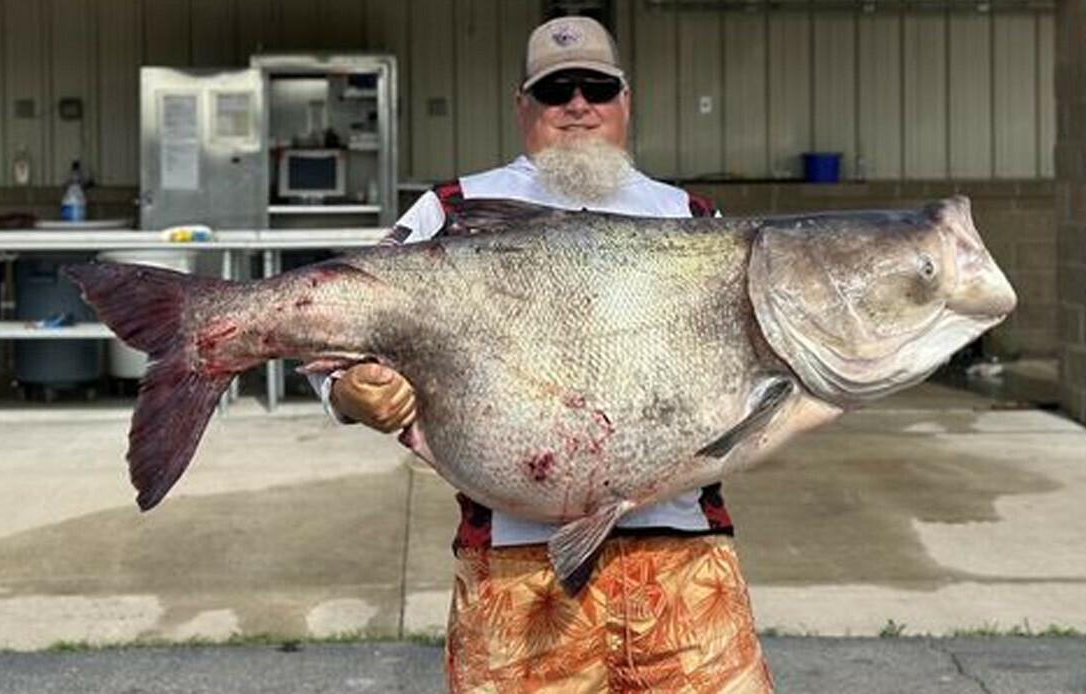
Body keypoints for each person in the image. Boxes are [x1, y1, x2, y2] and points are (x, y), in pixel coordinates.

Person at [314, 15, 775, 693]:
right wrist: (348, 390)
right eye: (557, 90)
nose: (579, 105)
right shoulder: (454, 210)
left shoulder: (693, 217)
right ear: (522, 106)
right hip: (515, 569)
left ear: (626, 101)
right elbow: (328, 325)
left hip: (683, 561)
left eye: (598, 87)